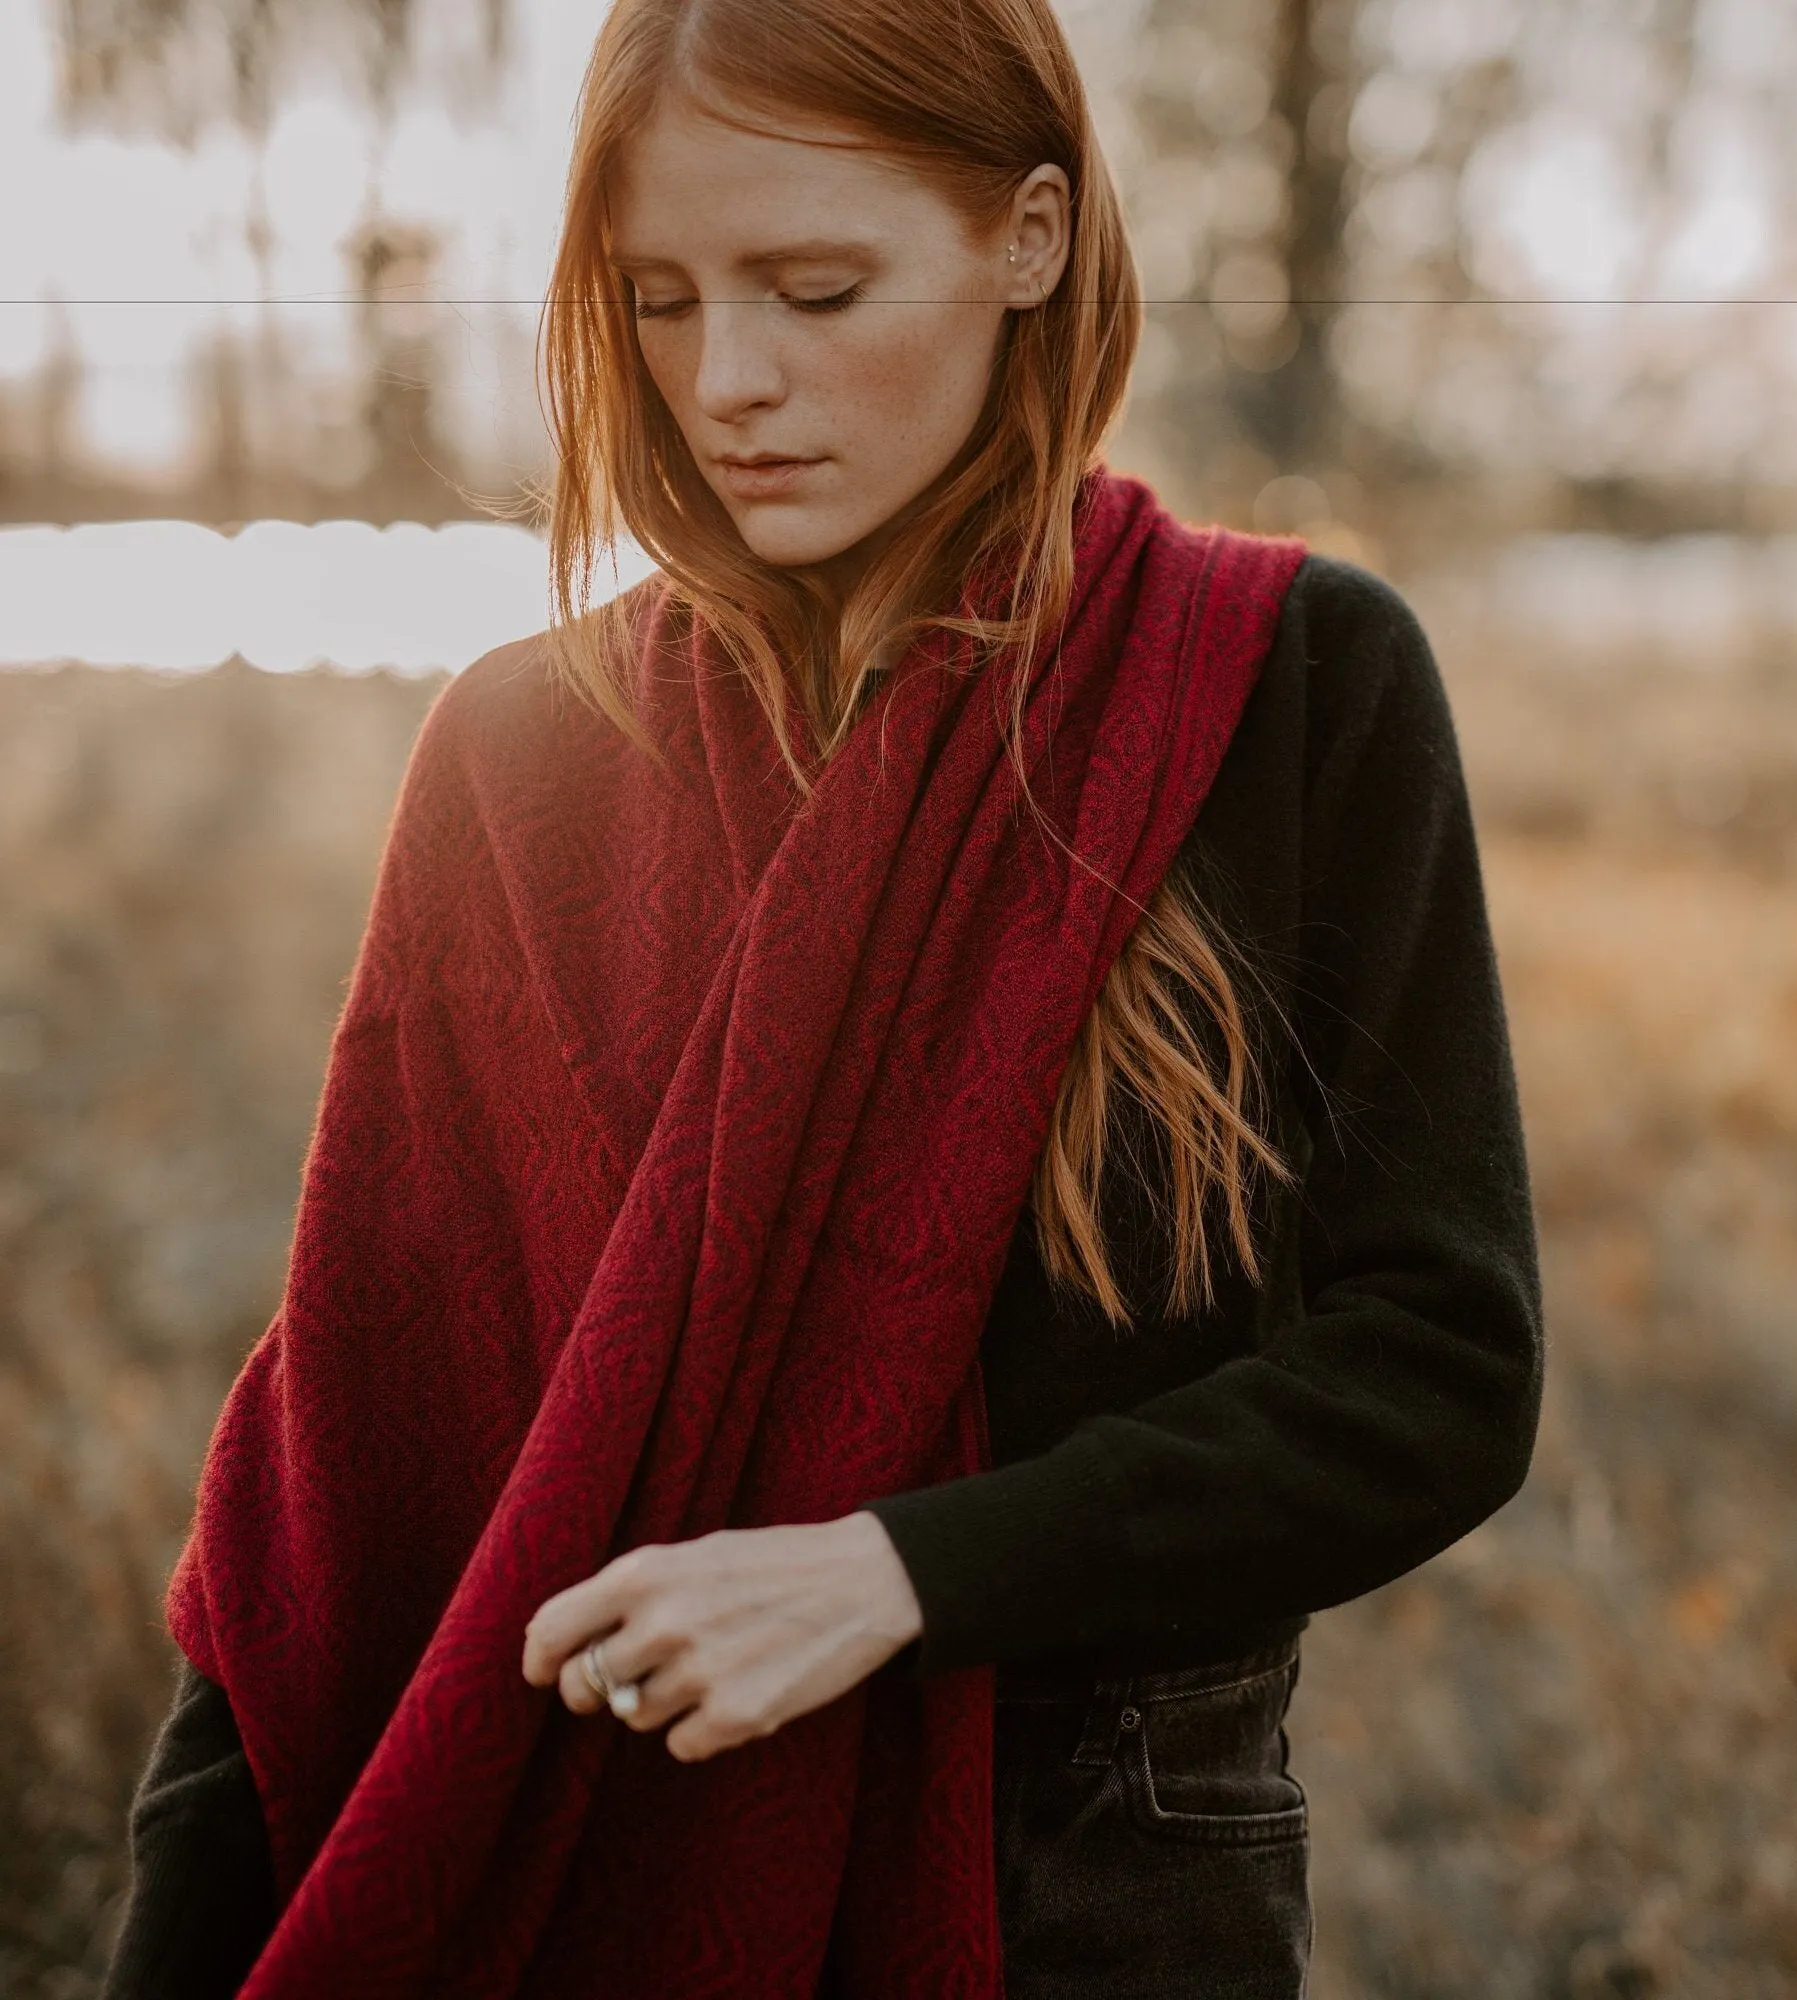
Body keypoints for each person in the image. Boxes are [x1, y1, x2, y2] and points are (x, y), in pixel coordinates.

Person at [104, 0, 1544, 1994]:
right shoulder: (521, 755)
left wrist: (899, 1575)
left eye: (813, 286)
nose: (729, 383)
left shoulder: (1284, 682)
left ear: (1027, 238)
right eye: (662, 301)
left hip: (1103, 1851)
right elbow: (351, 1449)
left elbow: (1437, 1371)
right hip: (585, 1792)